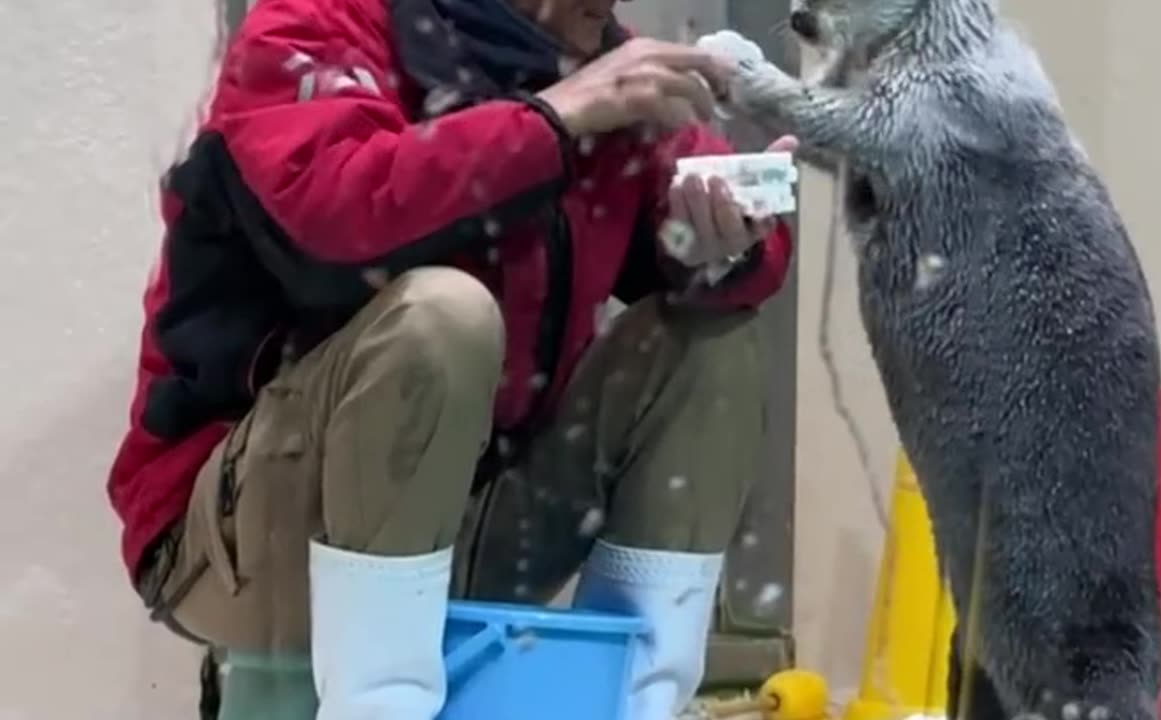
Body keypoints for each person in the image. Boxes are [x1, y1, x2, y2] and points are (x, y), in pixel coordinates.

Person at [107, 0, 795, 718]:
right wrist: (553, 119)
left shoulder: (605, 70)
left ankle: (633, 699)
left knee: (710, 339)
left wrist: (721, 243)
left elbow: (726, 213)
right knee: (441, 317)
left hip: (470, 526)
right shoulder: (312, 24)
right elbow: (337, 219)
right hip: (242, 546)